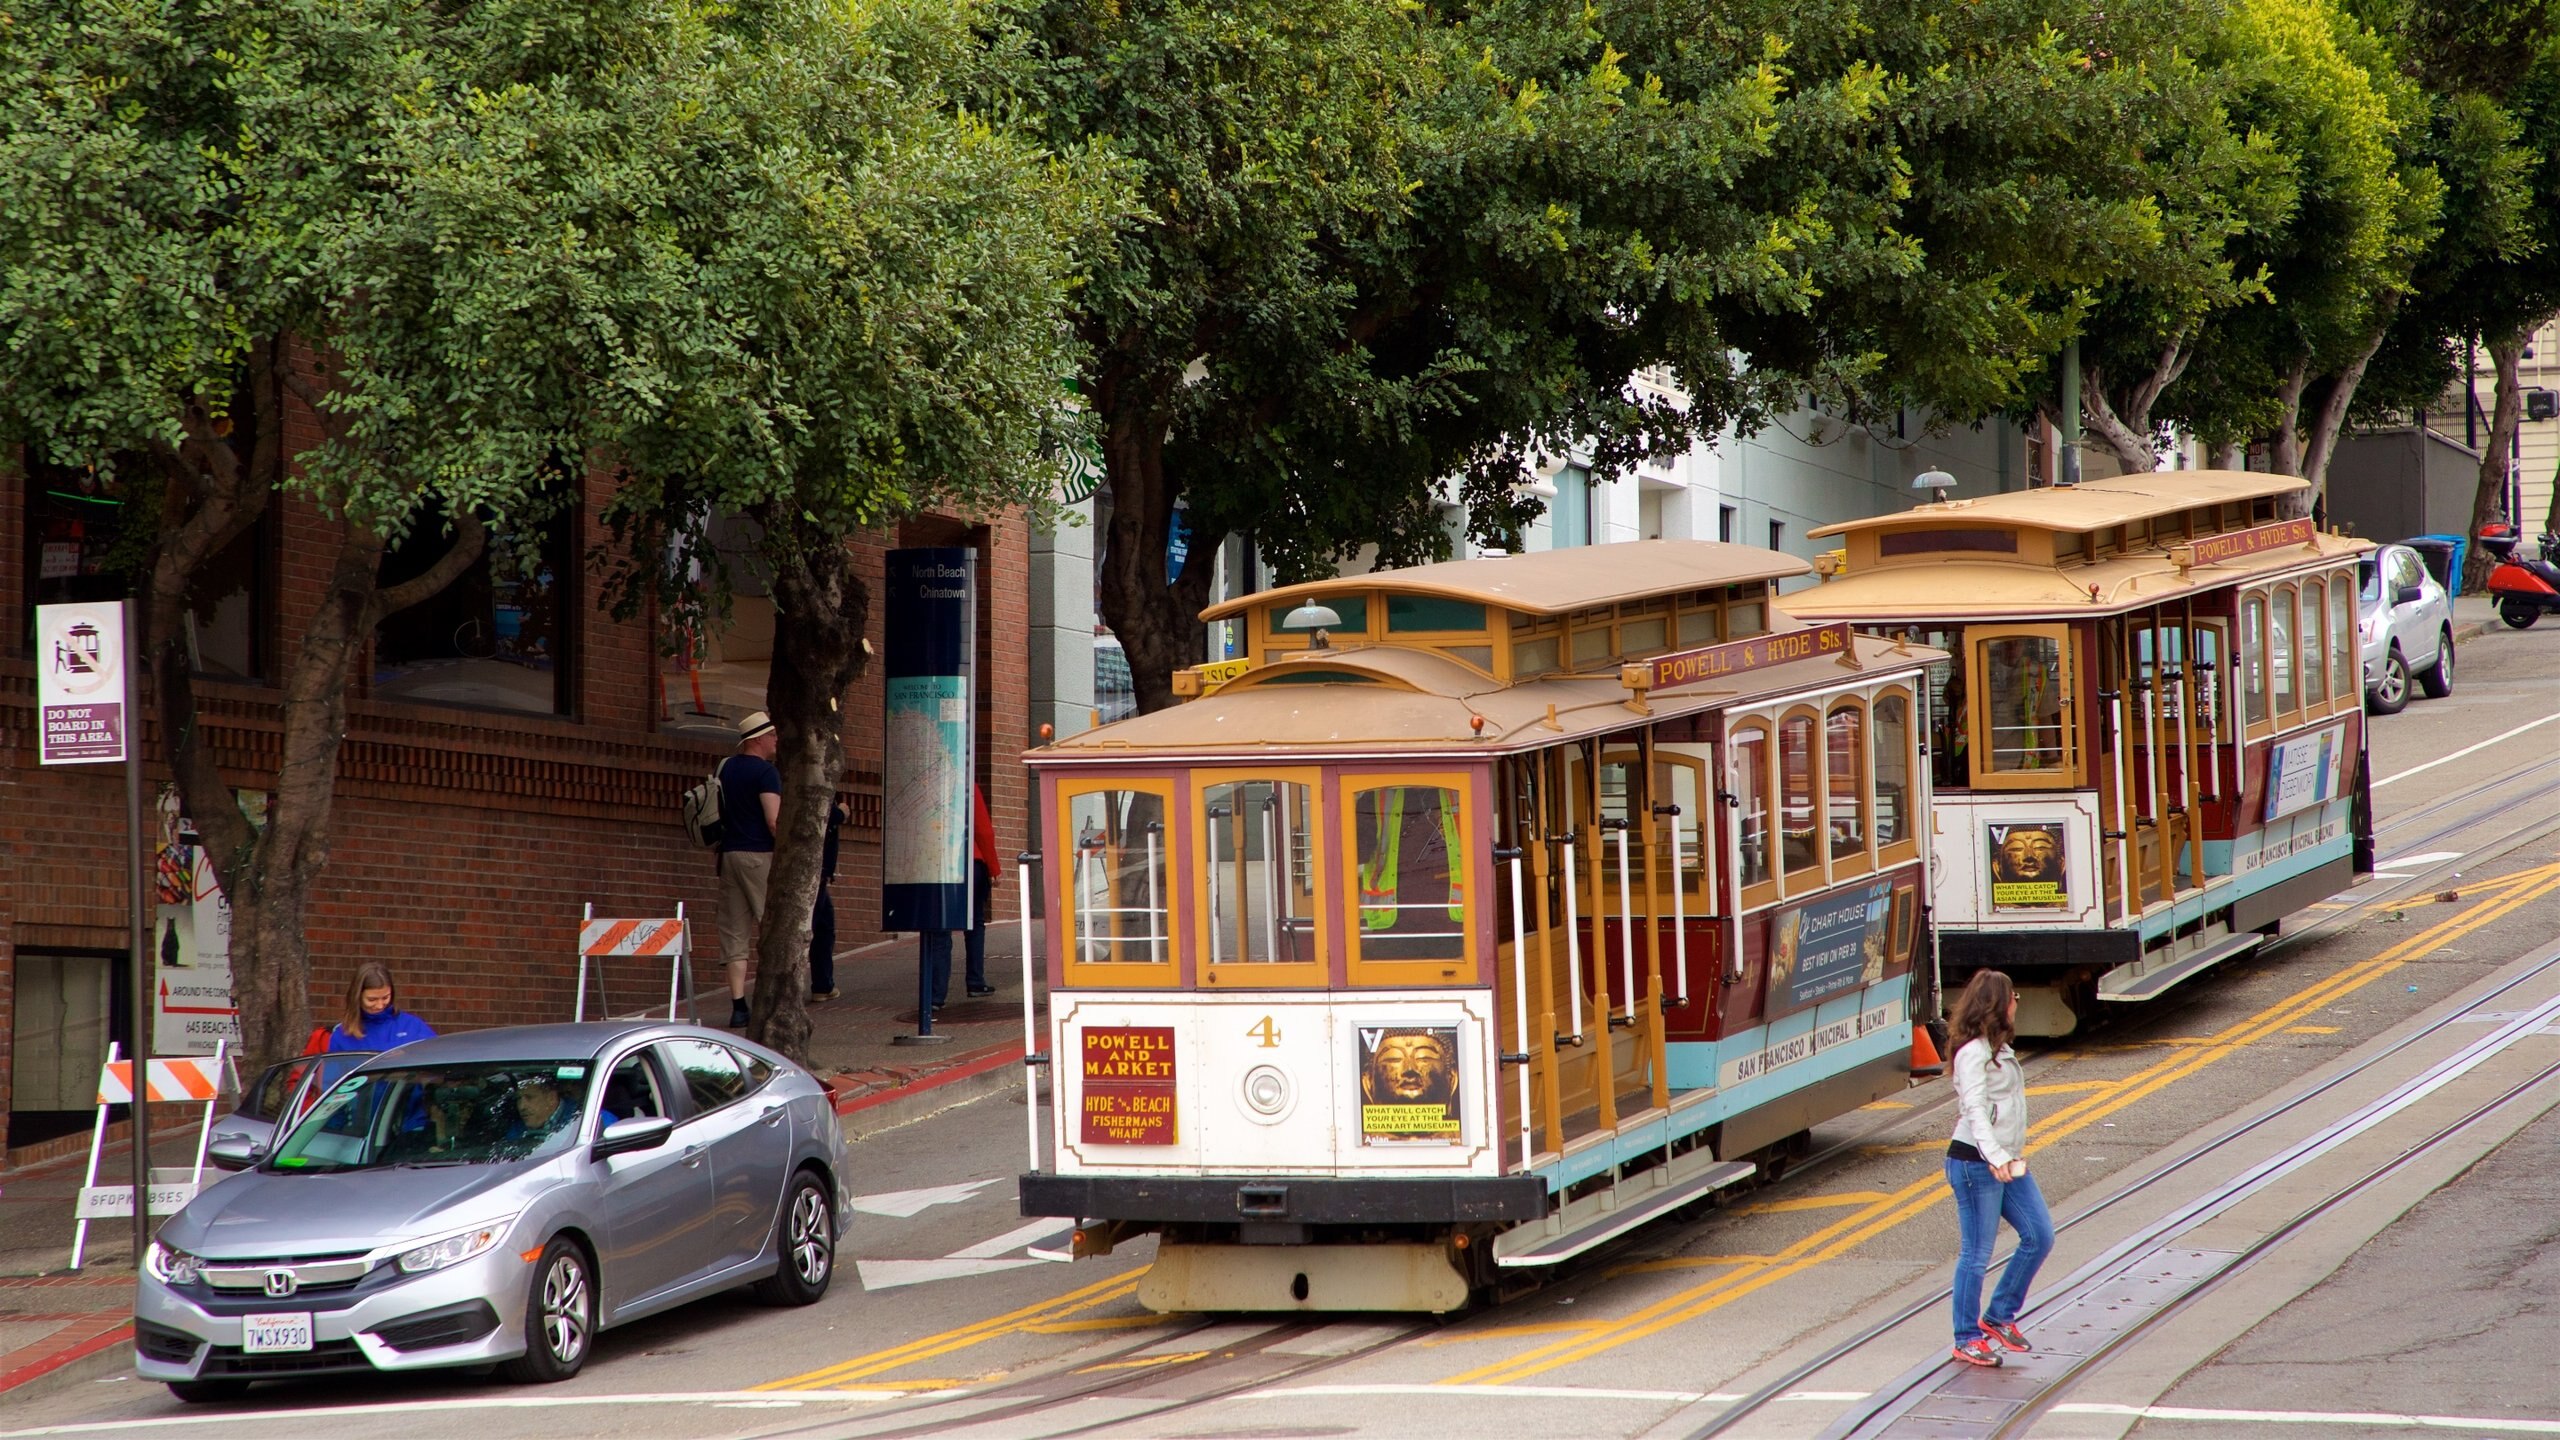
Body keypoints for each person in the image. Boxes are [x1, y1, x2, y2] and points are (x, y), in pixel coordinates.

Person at [1944, 969, 2052, 1368]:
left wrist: (2007, 1156)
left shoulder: (1999, 1049)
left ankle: (1998, 1316)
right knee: (1976, 1254)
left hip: (2005, 1160)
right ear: (1998, 1003)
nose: (2017, 1003)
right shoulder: (1973, 1052)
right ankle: (1966, 1337)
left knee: (2039, 1235)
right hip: (1976, 1162)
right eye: (2013, 996)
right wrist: (1997, 1157)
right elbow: (1974, 1112)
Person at [717, 711, 783, 1029]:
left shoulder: (726, 768)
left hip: (728, 855)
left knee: (734, 933)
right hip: (758, 855)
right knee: (772, 927)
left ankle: (738, 1005)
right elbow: (774, 821)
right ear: (757, 739)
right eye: (771, 735)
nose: (776, 740)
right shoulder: (765, 773)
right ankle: (771, 1000)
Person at [919, 783, 999, 1004]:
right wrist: (994, 868)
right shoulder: (966, 785)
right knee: (974, 923)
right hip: (969, 862)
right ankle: (975, 981)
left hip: (936, 862)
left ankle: (935, 996)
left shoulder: (925, 788)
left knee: (940, 930)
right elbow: (983, 830)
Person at [323, 962, 437, 1054]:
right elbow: (333, 1078)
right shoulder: (342, 1035)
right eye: (372, 1000)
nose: (379, 1005)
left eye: (385, 997)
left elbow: (436, 1060)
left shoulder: (413, 1025)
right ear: (357, 997)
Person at [808, 796, 847, 1003]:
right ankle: (820, 984)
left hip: (819, 870)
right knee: (813, 926)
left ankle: (823, 984)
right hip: (814, 869)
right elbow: (821, 815)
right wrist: (841, 812)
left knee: (824, 925)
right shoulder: (813, 781)